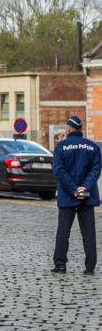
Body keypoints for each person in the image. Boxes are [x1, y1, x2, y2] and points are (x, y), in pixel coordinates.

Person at [51, 115, 101, 275]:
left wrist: (73, 189)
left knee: (63, 232)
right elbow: (96, 170)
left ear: (68, 129)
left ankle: (60, 265)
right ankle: (90, 266)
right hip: (88, 196)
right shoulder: (93, 147)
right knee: (88, 233)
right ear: (80, 129)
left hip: (67, 196)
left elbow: (59, 171)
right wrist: (84, 187)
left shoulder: (61, 146)